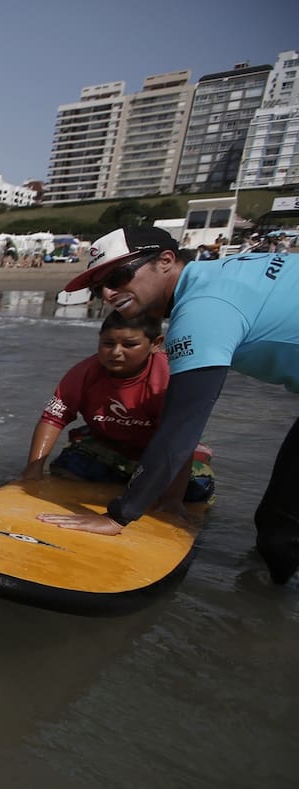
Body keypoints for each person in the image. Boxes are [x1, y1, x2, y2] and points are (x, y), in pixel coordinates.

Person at [39, 226, 299, 585]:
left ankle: (270, 608)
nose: (108, 294)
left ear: (165, 261)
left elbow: (181, 429)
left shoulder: (201, 311)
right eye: (99, 288)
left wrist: (118, 516)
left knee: (282, 533)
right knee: (277, 524)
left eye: (117, 277)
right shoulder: (220, 275)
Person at [20, 311, 214, 503]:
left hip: (162, 454)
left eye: (129, 345)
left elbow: (178, 441)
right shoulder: (84, 372)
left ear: (156, 344)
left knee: (196, 492)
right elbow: (52, 419)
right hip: (110, 447)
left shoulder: (169, 380)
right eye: (108, 343)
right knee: (66, 466)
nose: (115, 352)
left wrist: (172, 502)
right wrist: (32, 472)